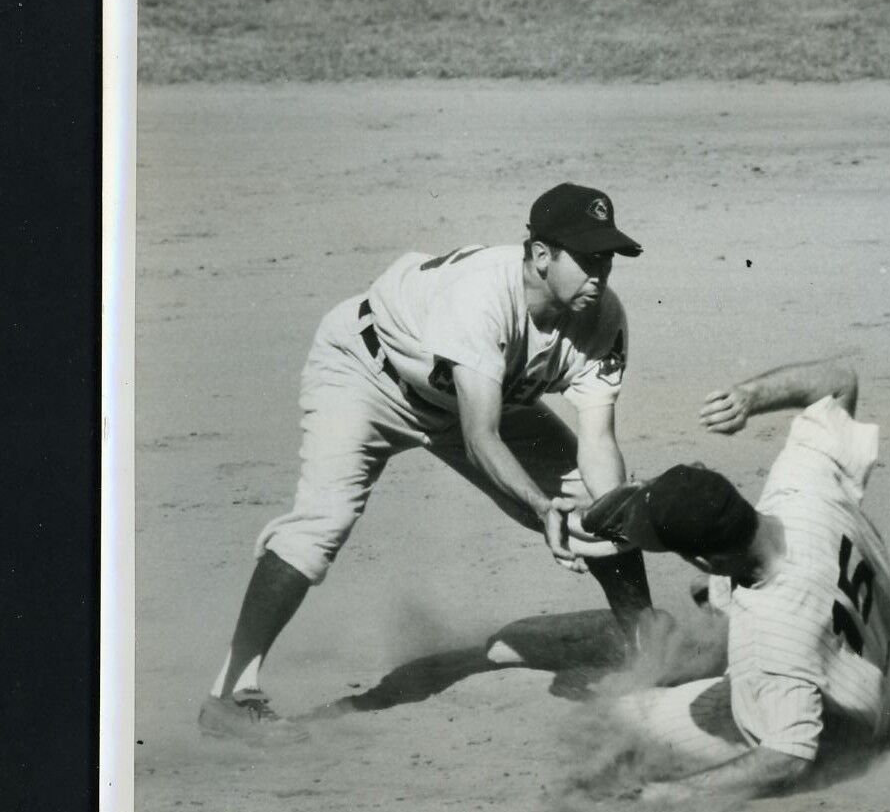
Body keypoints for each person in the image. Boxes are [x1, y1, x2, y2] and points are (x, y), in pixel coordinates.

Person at [199, 183, 653, 744]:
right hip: (365, 376)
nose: (600, 274)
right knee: (323, 522)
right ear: (541, 255)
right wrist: (540, 508)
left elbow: (599, 444)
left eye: (607, 259)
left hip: (476, 396)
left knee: (598, 501)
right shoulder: (482, 296)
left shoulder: (603, 319)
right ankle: (228, 696)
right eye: (587, 259)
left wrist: (609, 510)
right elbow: (481, 436)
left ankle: (645, 644)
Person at [578, 358, 890, 801]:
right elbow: (839, 381)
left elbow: (787, 757)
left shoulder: (768, 642)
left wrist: (672, 794)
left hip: (847, 728)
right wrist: (748, 397)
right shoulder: (800, 486)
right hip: (887, 654)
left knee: (617, 715)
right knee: (715, 603)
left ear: (704, 557)